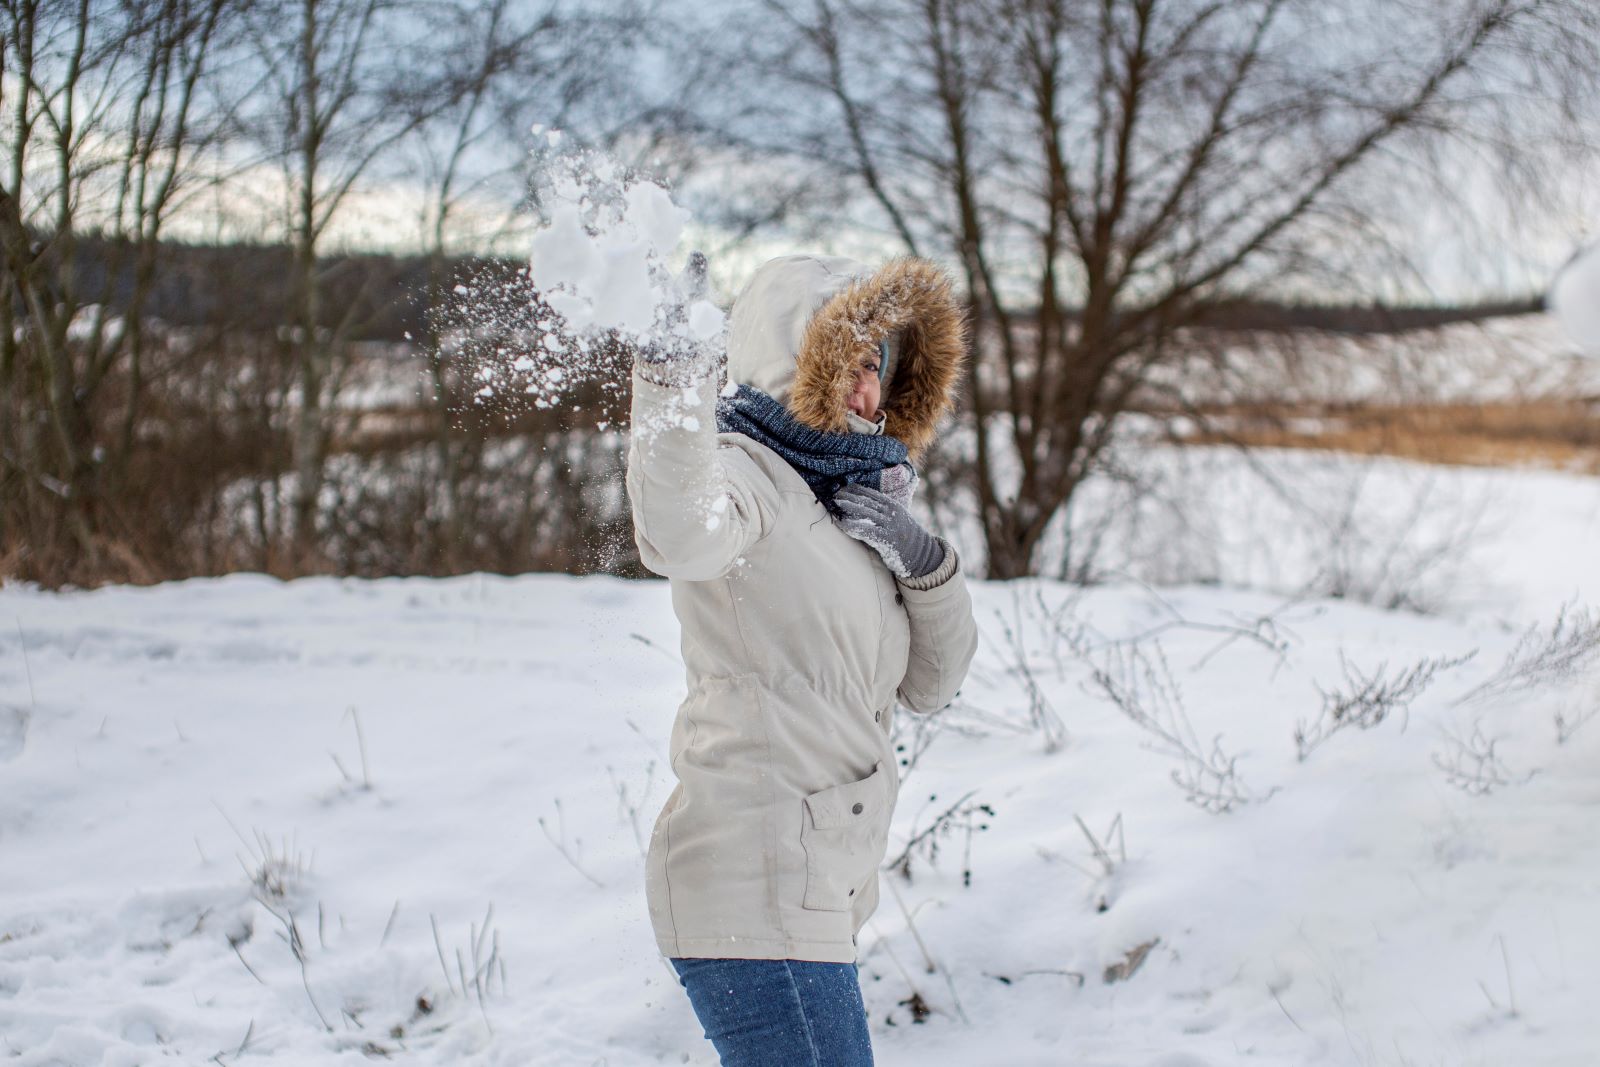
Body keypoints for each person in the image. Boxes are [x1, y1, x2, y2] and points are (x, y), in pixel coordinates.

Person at [626, 254, 980, 1066]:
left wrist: (921, 563)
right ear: (796, 359)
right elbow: (679, 531)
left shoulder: (855, 506)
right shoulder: (750, 473)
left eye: (879, 371)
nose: (867, 393)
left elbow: (933, 683)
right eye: (850, 362)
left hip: (813, 886)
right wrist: (673, 376)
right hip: (754, 874)